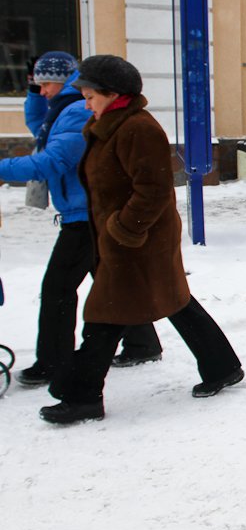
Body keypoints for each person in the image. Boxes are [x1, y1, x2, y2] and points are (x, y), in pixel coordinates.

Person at [38, 55, 244, 424]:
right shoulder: (109, 125)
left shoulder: (138, 129)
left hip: (137, 241)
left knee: (105, 313)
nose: (85, 105)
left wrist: (123, 229)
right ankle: (222, 366)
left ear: (113, 94)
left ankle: (82, 396)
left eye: (90, 97)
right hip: (131, 239)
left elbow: (153, 189)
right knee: (175, 300)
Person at [0, 52, 161, 392]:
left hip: (85, 215)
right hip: (85, 211)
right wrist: (33, 91)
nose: (43, 91)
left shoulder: (76, 111)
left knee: (58, 288)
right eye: (38, 85)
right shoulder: (64, 109)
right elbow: (38, 127)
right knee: (115, 281)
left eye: (46, 84)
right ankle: (142, 343)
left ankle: (54, 362)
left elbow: (53, 160)